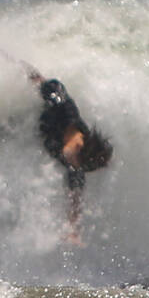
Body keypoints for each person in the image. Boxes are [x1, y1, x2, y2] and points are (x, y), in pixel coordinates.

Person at [32, 73, 113, 243]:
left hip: (20, 133)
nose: (69, 164)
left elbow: (75, 197)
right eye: (73, 161)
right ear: (78, 146)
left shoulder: (75, 162)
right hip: (20, 115)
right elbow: (48, 84)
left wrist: (73, 230)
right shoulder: (64, 109)